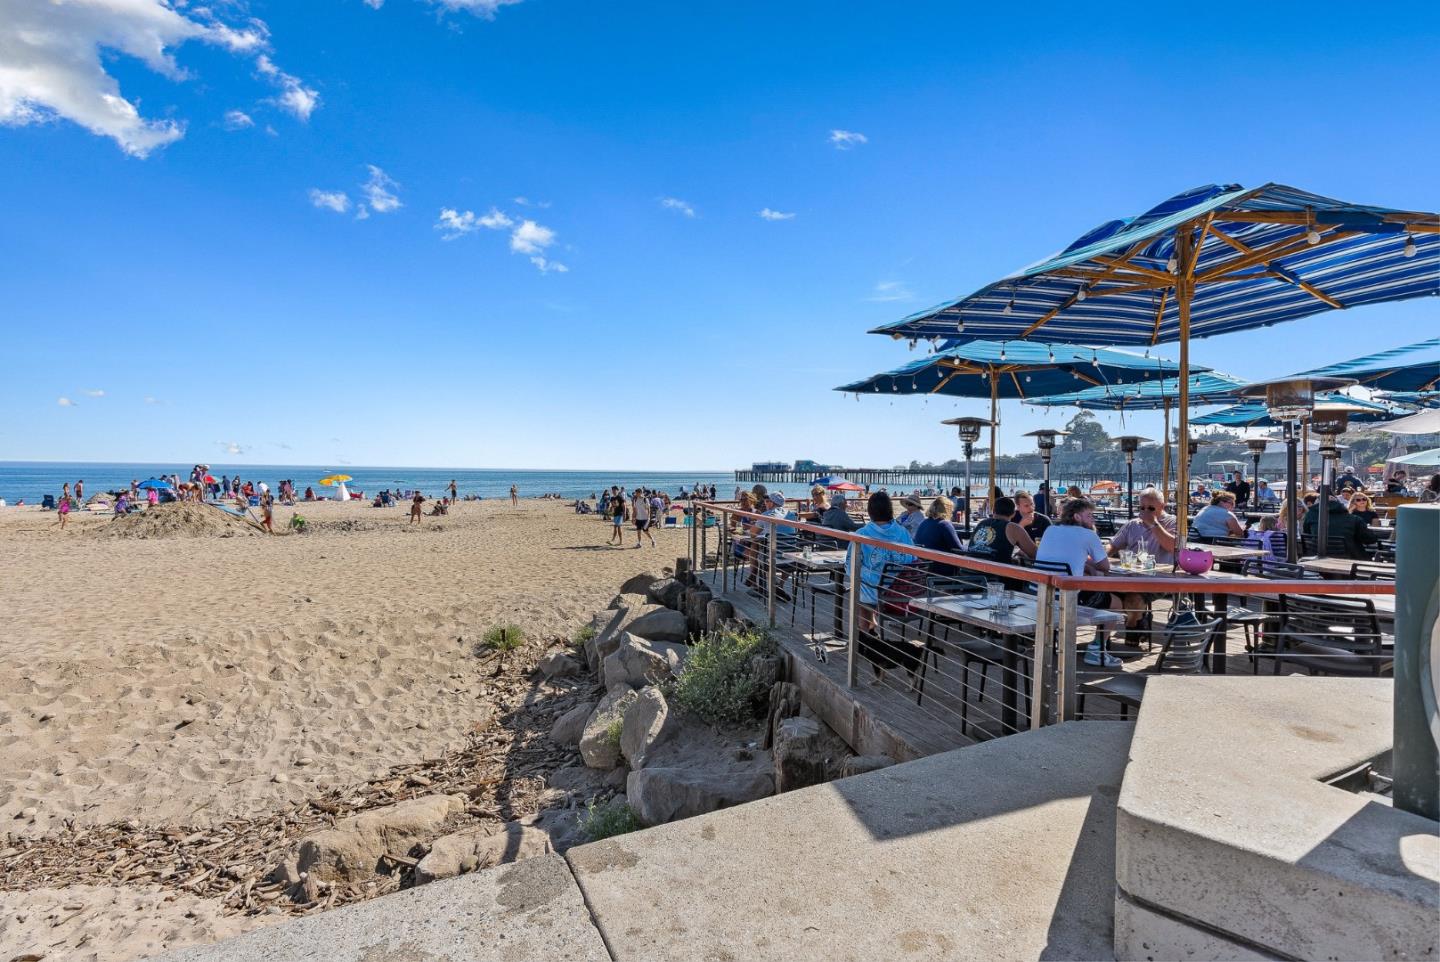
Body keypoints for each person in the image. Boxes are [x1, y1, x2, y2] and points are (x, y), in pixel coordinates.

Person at [1035, 498, 1119, 667]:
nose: (1093, 519)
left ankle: (1057, 638)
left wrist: (1085, 565)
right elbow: (1105, 566)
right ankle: (1096, 650)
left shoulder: (1050, 529)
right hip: (1068, 597)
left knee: (1097, 593)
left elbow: (1063, 558)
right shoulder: (1088, 535)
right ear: (1077, 517)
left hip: (1040, 593)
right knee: (1116, 603)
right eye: (1089, 515)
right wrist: (1091, 566)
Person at [850, 492, 916, 686]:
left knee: (860, 592)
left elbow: (850, 566)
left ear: (870, 511)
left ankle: (866, 646)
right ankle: (876, 641)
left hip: (875, 595)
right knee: (869, 590)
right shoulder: (903, 533)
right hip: (901, 596)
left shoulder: (862, 534)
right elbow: (914, 560)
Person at [1107, 488, 1178, 566]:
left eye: (1151, 508)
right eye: (1142, 508)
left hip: (1162, 571)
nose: (1146, 511)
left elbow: (1174, 548)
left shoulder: (1173, 522)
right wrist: (1101, 557)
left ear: (1162, 506)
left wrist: (1153, 524)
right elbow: (1113, 545)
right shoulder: (1133, 524)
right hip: (1134, 570)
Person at [967, 496, 1038, 573]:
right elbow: (1035, 554)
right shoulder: (1013, 527)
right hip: (994, 576)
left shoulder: (981, 523)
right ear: (1013, 514)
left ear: (993, 511)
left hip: (968, 572)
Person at [1303, 494, 1378, 559]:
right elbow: (1370, 539)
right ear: (1339, 504)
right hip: (1349, 559)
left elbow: (1307, 534)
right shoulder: (1354, 519)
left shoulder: (1310, 516)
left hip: (1316, 557)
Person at [913, 496, 964, 575]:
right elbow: (959, 550)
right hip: (941, 570)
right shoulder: (944, 524)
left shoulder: (924, 523)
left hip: (924, 569)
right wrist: (970, 548)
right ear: (947, 510)